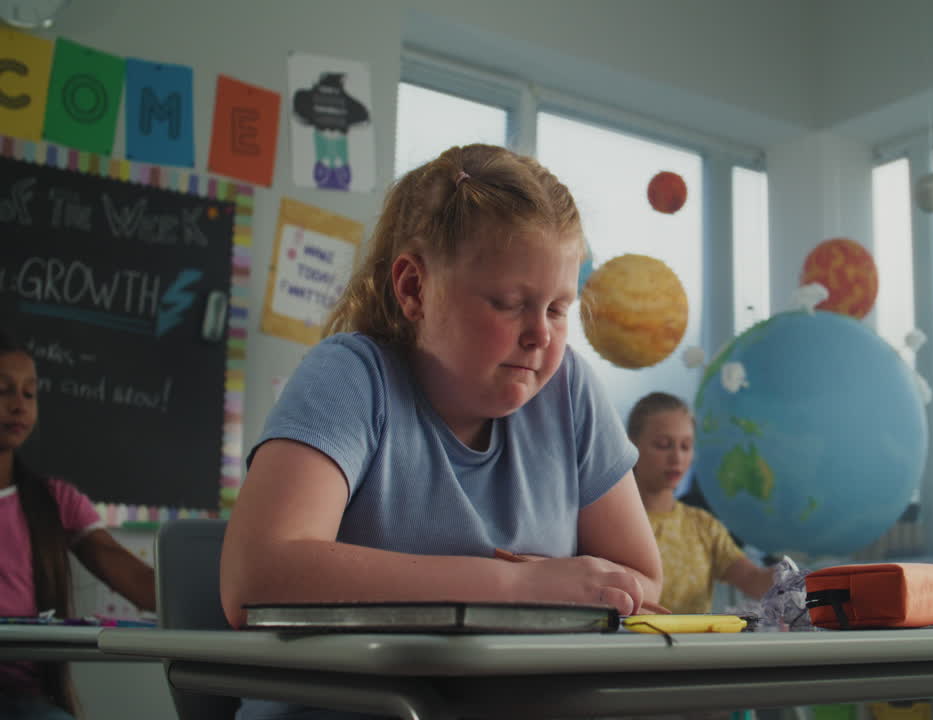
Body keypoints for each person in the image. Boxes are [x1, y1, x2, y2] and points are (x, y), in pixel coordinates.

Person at [220, 144, 663, 720]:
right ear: (413, 289)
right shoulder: (353, 376)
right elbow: (256, 576)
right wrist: (519, 589)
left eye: (558, 309)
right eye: (508, 303)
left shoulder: (569, 390)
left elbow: (644, 581)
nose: (540, 336)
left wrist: (563, 586)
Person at [0, 333, 156, 720]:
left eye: (30, 393)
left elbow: (138, 582)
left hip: (24, 695)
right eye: (2, 390)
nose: (18, 404)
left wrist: (215, 605)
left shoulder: (54, 500)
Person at [627, 392, 774, 614]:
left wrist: (798, 578)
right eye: (663, 445)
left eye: (685, 446)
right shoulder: (611, 524)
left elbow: (753, 579)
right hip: (626, 647)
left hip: (693, 648)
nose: (676, 458)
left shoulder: (703, 526)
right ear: (631, 446)